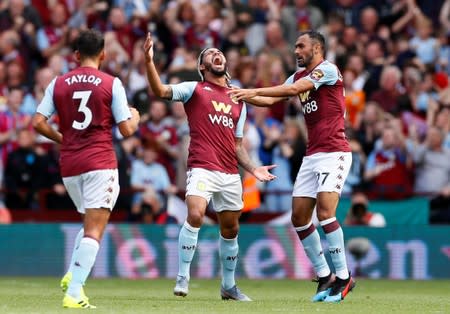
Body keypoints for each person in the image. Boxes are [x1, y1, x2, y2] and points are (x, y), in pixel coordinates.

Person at [142, 32, 276, 301]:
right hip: (202, 165)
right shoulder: (194, 89)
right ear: (202, 66)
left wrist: (253, 169)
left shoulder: (238, 99)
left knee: (231, 229)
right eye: (210, 54)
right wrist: (149, 61)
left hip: (229, 172)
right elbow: (160, 91)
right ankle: (182, 277)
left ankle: (228, 285)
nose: (218, 55)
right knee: (195, 214)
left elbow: (238, 145)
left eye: (220, 53)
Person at [229, 30, 355, 303]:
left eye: (301, 46)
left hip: (335, 152)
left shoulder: (328, 70)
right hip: (312, 156)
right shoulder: (296, 75)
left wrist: (253, 89)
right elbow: (272, 99)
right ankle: (324, 276)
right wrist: (239, 95)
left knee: (325, 213)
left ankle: (344, 278)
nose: (296, 51)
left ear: (317, 48)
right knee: (299, 217)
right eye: (295, 46)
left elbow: (294, 91)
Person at [32, 29, 140, 309]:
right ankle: (75, 292)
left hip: (69, 166)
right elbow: (127, 129)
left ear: (76, 55)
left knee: (88, 220)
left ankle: (72, 274)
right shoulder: (111, 83)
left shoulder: (58, 83)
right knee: (95, 228)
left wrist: (63, 138)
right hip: (100, 162)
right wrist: (136, 117)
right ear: (103, 54)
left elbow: (38, 123)